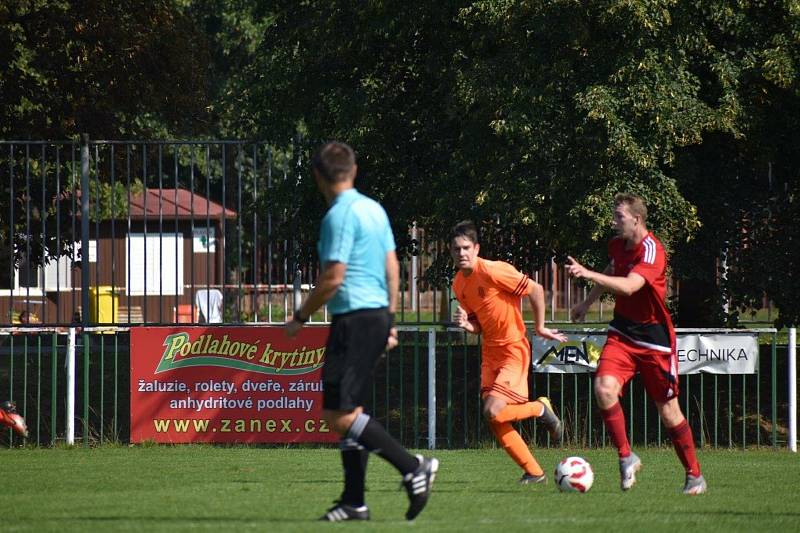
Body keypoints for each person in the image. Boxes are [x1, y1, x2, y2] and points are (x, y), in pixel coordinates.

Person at [286, 141, 438, 522]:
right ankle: (354, 501)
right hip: (374, 316)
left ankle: (412, 467)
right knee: (352, 411)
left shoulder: (338, 215)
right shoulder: (374, 209)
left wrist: (300, 316)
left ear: (319, 176)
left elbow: (333, 278)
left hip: (353, 319)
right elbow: (393, 266)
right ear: (353, 171)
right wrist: (389, 318)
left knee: (338, 416)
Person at [566, 192, 707, 495]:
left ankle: (694, 476)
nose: (613, 222)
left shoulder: (653, 250)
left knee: (668, 411)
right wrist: (587, 302)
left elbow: (630, 286)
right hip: (623, 332)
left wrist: (586, 273)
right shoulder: (618, 246)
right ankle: (626, 456)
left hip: (654, 340)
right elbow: (612, 269)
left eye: (619, 217)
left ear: (636, 219)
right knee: (604, 389)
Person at [450, 221, 567, 484]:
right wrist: (467, 324)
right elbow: (478, 326)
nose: (462, 253)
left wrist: (539, 327)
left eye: (466, 248)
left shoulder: (493, 270)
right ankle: (534, 472)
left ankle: (539, 408)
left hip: (513, 348)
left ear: (476, 248)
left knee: (493, 410)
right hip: (490, 353)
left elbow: (535, 289)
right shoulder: (459, 284)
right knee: (495, 419)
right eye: (456, 249)